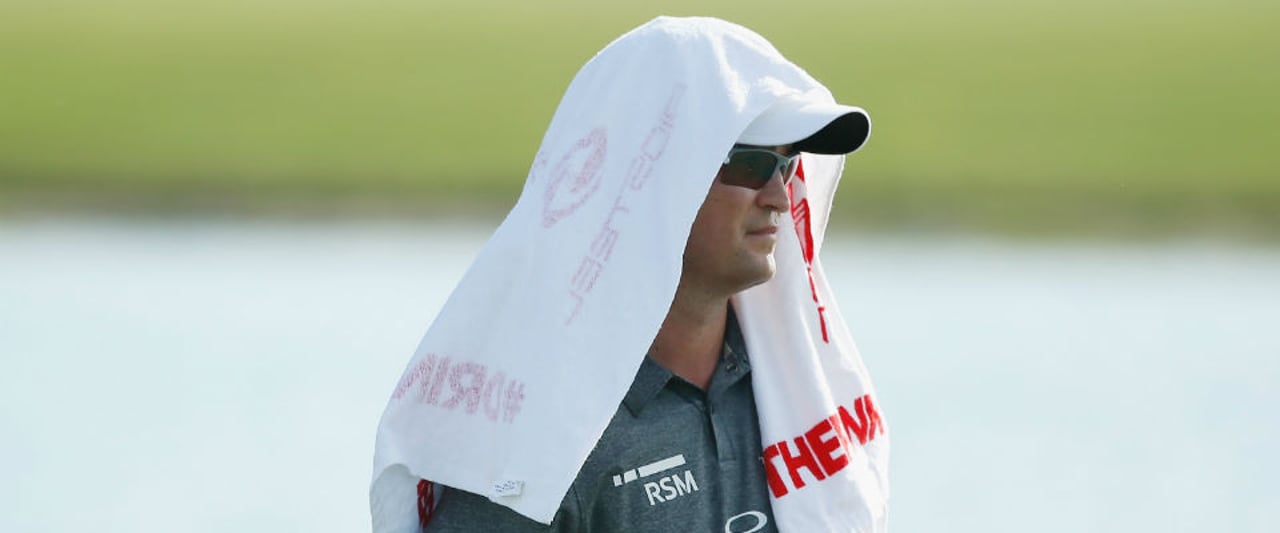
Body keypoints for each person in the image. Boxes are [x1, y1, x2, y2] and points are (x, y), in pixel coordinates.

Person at [372, 16, 888, 533]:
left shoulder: (795, 389)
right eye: (750, 165)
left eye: (787, 166)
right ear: (654, 180)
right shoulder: (536, 447)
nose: (778, 197)